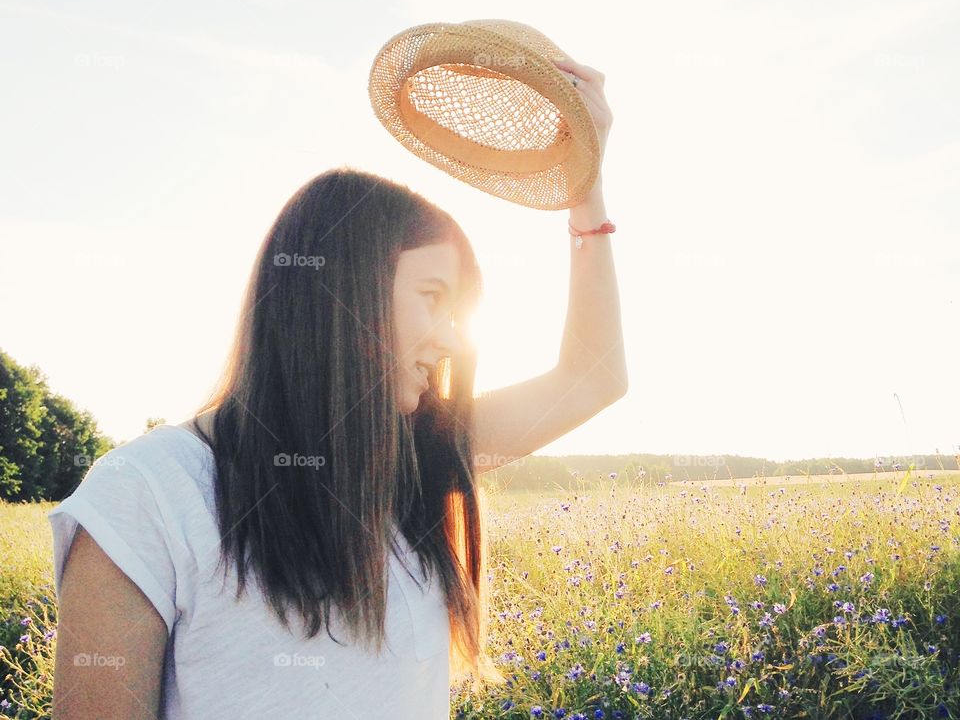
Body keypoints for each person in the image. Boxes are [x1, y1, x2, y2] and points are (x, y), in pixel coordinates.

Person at [47, 56, 627, 718]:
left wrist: (584, 186)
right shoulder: (146, 495)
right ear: (341, 294)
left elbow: (593, 375)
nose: (452, 338)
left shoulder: (417, 460)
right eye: (433, 297)